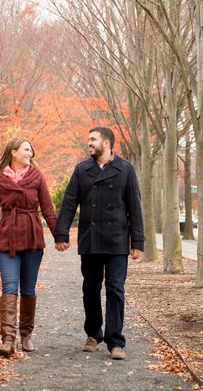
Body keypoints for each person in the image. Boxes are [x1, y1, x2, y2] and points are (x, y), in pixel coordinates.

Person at [53, 126, 144, 361]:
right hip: (90, 240)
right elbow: (69, 202)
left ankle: (116, 341)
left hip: (117, 241)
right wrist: (61, 234)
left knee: (115, 289)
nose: (89, 143)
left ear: (107, 143)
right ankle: (93, 334)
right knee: (90, 289)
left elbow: (135, 206)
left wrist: (138, 241)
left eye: (93, 139)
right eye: (88, 140)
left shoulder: (125, 169)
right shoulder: (82, 170)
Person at [0, 137, 58, 357]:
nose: (30, 153)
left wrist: (59, 236)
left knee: (29, 289)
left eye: (31, 150)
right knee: (9, 287)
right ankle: (7, 339)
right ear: (13, 152)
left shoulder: (36, 176)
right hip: (8, 239)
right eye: (26, 149)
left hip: (33, 238)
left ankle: (26, 335)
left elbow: (48, 208)